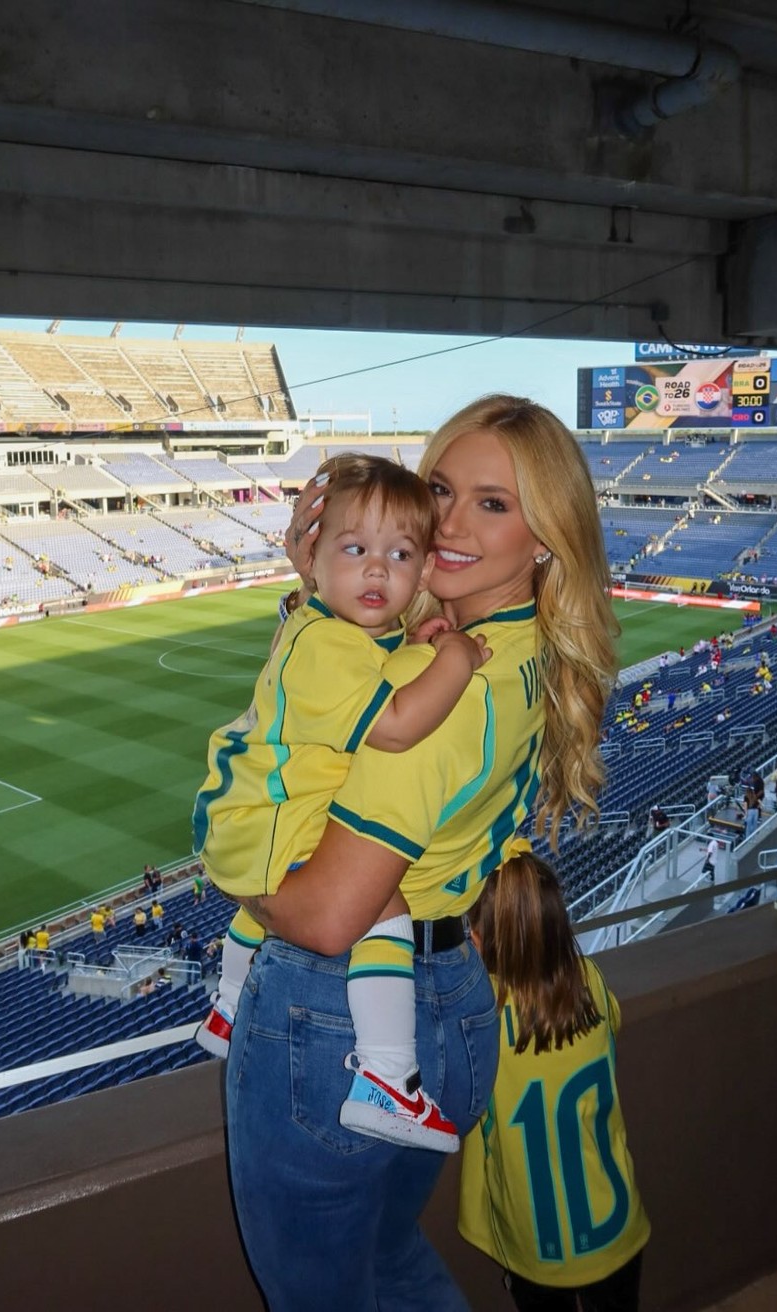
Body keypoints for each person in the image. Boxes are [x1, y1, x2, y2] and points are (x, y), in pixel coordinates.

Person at [202, 395, 618, 1310]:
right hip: (447, 1009)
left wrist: (227, 864)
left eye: (494, 503)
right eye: (440, 490)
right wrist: (319, 597)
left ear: (548, 537)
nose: (450, 523)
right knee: (390, 1266)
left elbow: (325, 916)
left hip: (334, 1022)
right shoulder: (513, 651)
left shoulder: (452, 691)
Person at [195, 454, 491, 1150]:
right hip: (266, 821)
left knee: (277, 885)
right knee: (379, 908)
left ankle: (231, 1007)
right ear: (314, 558)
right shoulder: (326, 643)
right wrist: (456, 659)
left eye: (399, 554)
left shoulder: (334, 628)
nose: (379, 572)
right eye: (355, 551)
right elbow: (393, 727)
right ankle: (389, 1077)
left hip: (249, 817)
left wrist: (412, 642)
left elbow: (375, 670)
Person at [459, 847, 650, 1311]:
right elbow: (613, 1024)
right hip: (616, 1222)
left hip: (538, 1244)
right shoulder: (591, 981)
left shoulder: (480, 1019)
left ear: (482, 940)